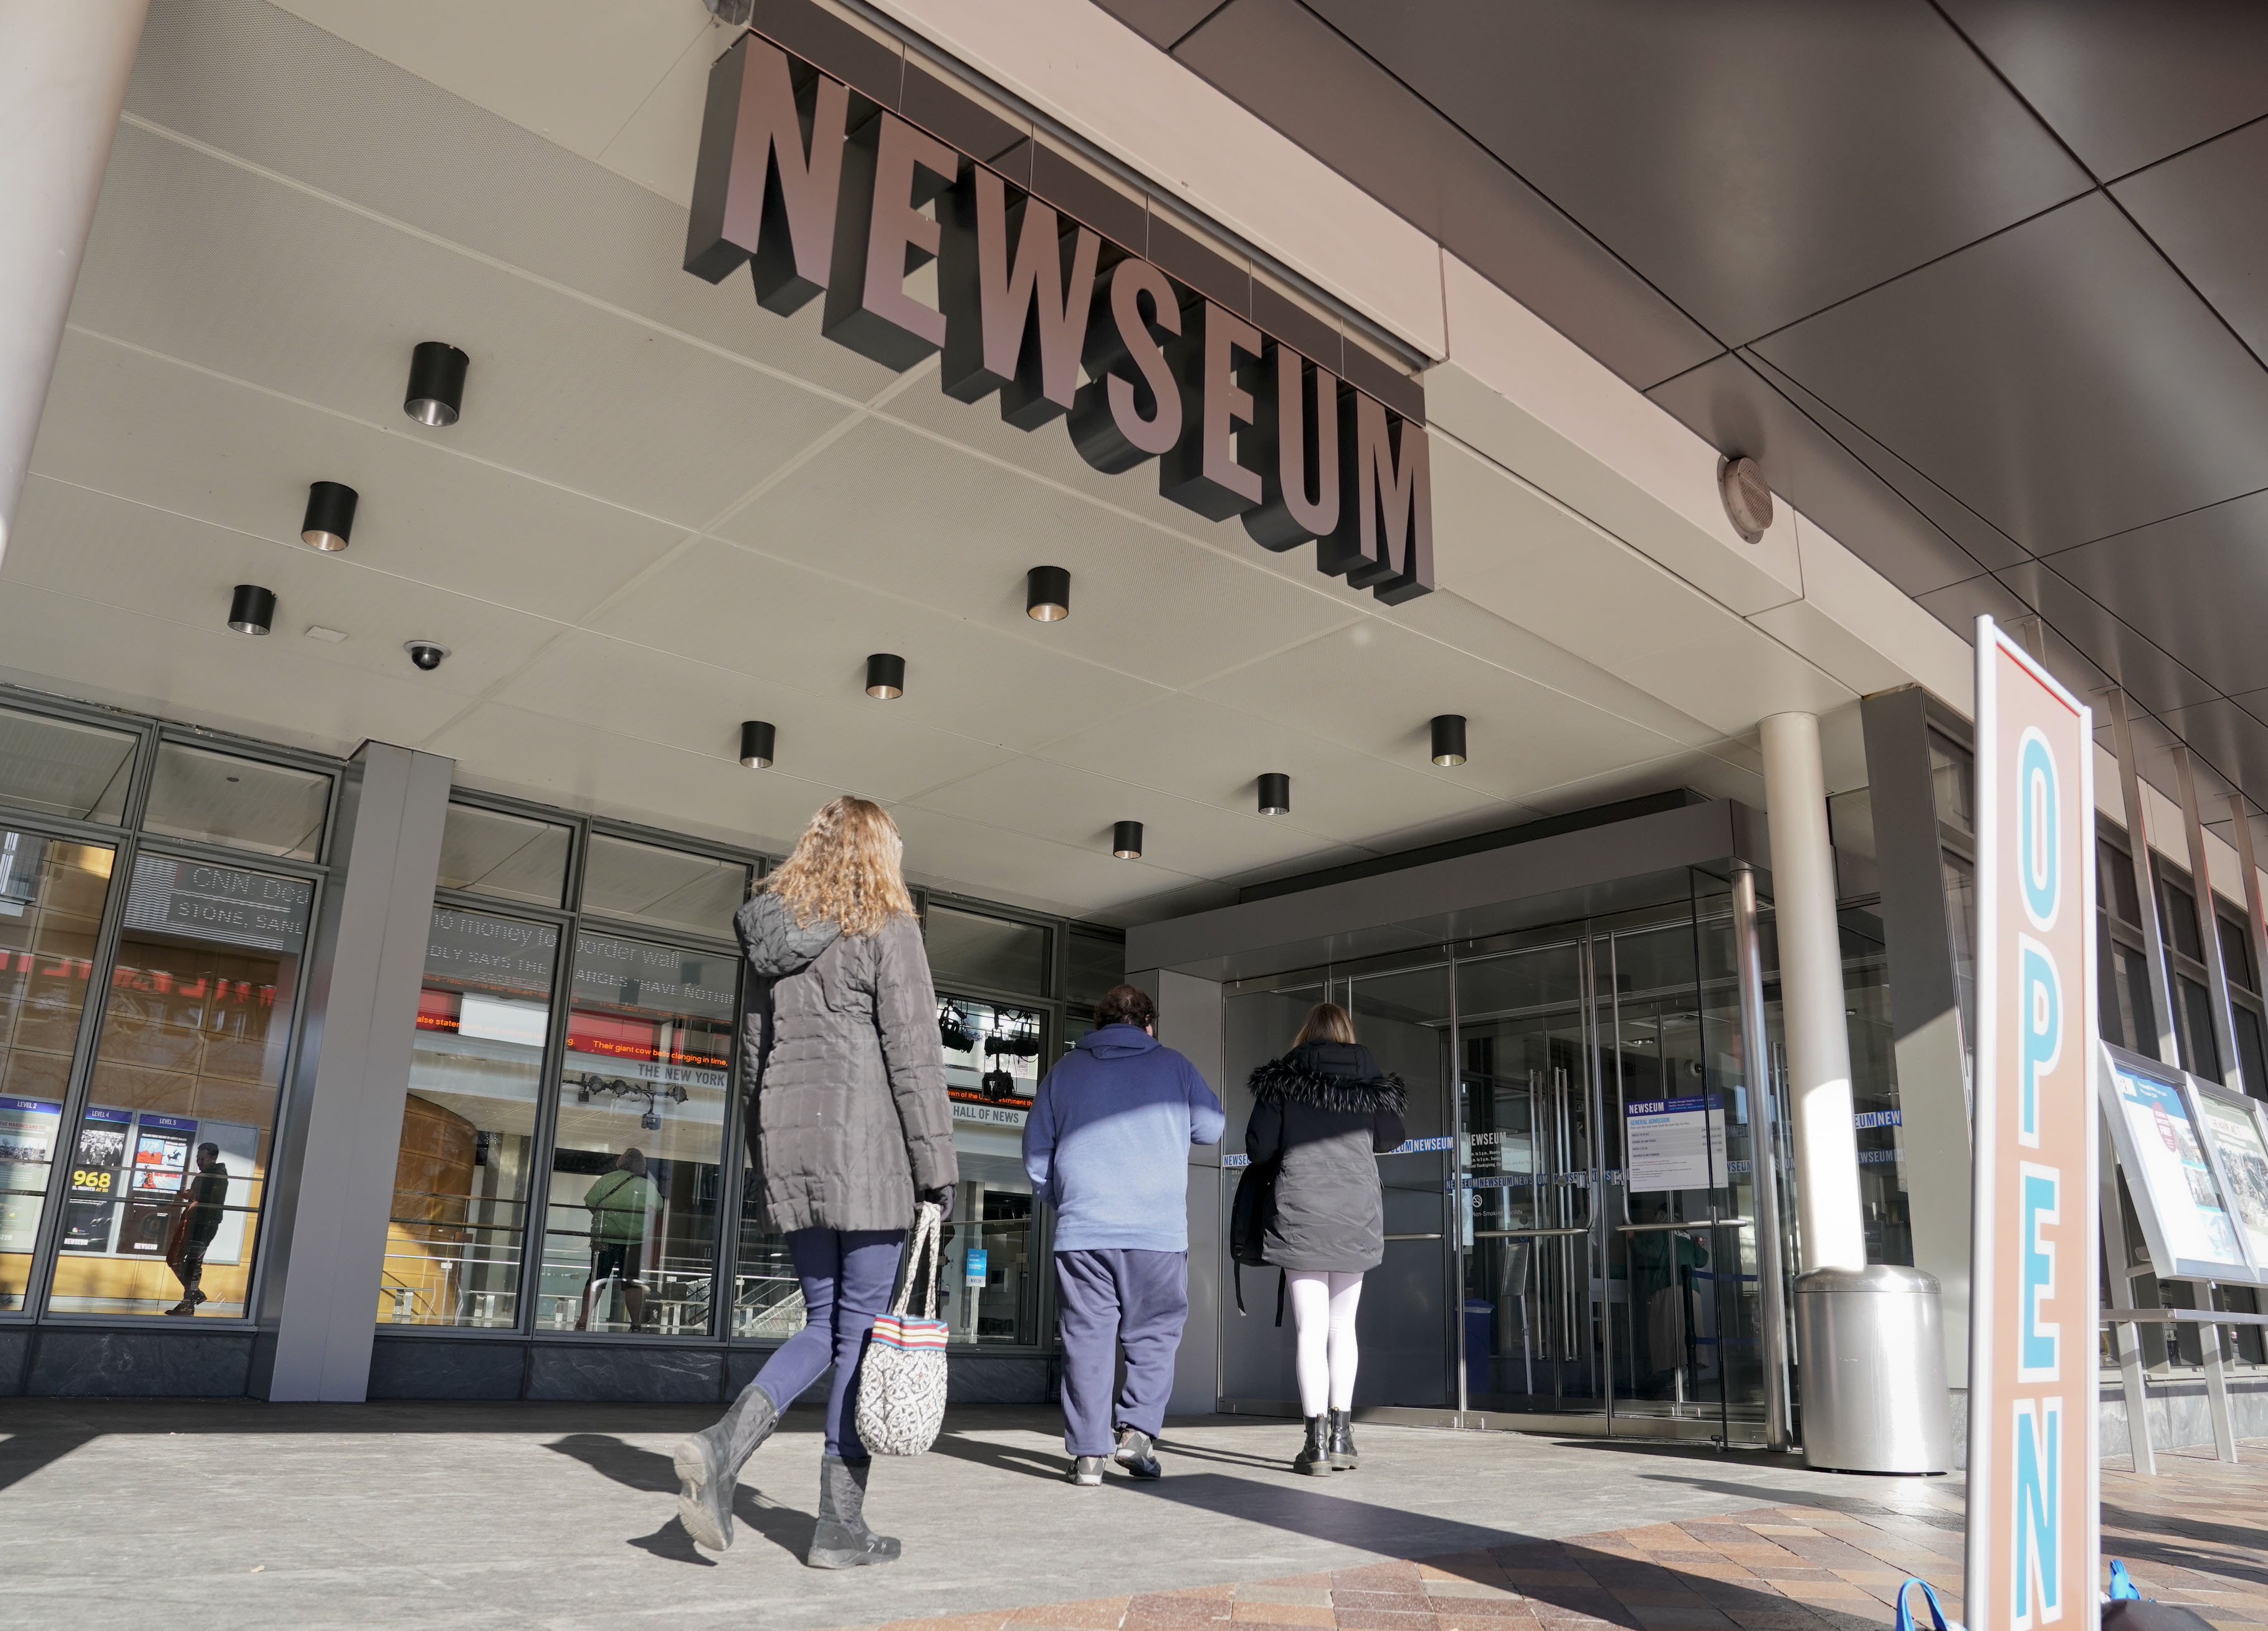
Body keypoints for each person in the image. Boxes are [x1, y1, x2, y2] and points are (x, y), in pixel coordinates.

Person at [672, 796, 955, 1568]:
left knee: (827, 1320)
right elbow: (915, 1055)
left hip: (795, 1146)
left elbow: (753, 1058)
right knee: (858, 1328)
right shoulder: (888, 927)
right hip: (867, 1151)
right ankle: (837, 1526)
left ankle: (723, 1447)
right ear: (879, 852)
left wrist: (768, 1160)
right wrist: (938, 1170)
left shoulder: (770, 938)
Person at [1023, 983, 1223, 1486]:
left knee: (1085, 1341)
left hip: (1084, 1229)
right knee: (1154, 1335)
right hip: (1156, 1233)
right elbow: (1212, 1128)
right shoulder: (1174, 1065)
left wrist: (1061, 1199)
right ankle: (1135, 1434)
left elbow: (1035, 1150)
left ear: (1100, 1025)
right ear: (1149, 1025)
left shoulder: (1064, 1071)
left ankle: (1089, 1456)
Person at [1245, 1002, 1405, 1476]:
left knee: (1310, 1330)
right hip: (1355, 1211)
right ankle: (1343, 1437)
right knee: (1343, 1328)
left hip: (1301, 1210)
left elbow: (1259, 1148)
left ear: (1306, 1035)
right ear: (1347, 1034)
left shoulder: (1283, 1078)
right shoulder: (1369, 1078)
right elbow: (1392, 1137)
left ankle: (1314, 1445)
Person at [577, 1148, 654, 1333]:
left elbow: (590, 1203)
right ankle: (635, 1324)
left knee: (596, 1279)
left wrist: (604, 1218)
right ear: (641, 1165)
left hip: (604, 1237)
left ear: (621, 1162)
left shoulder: (606, 1180)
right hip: (633, 1240)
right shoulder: (645, 1185)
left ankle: (583, 1320)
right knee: (632, 1282)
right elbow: (656, 1206)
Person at [163, 1143, 227, 1316]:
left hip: (204, 1224)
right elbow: (199, 1195)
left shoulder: (218, 1176)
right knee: (175, 1258)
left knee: (192, 1262)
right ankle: (193, 1295)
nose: (199, 1162)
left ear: (213, 1158)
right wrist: (190, 1195)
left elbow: (210, 1199)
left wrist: (193, 1196)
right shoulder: (206, 1174)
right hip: (194, 1222)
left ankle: (189, 1301)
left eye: (202, 1159)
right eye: (198, 1158)